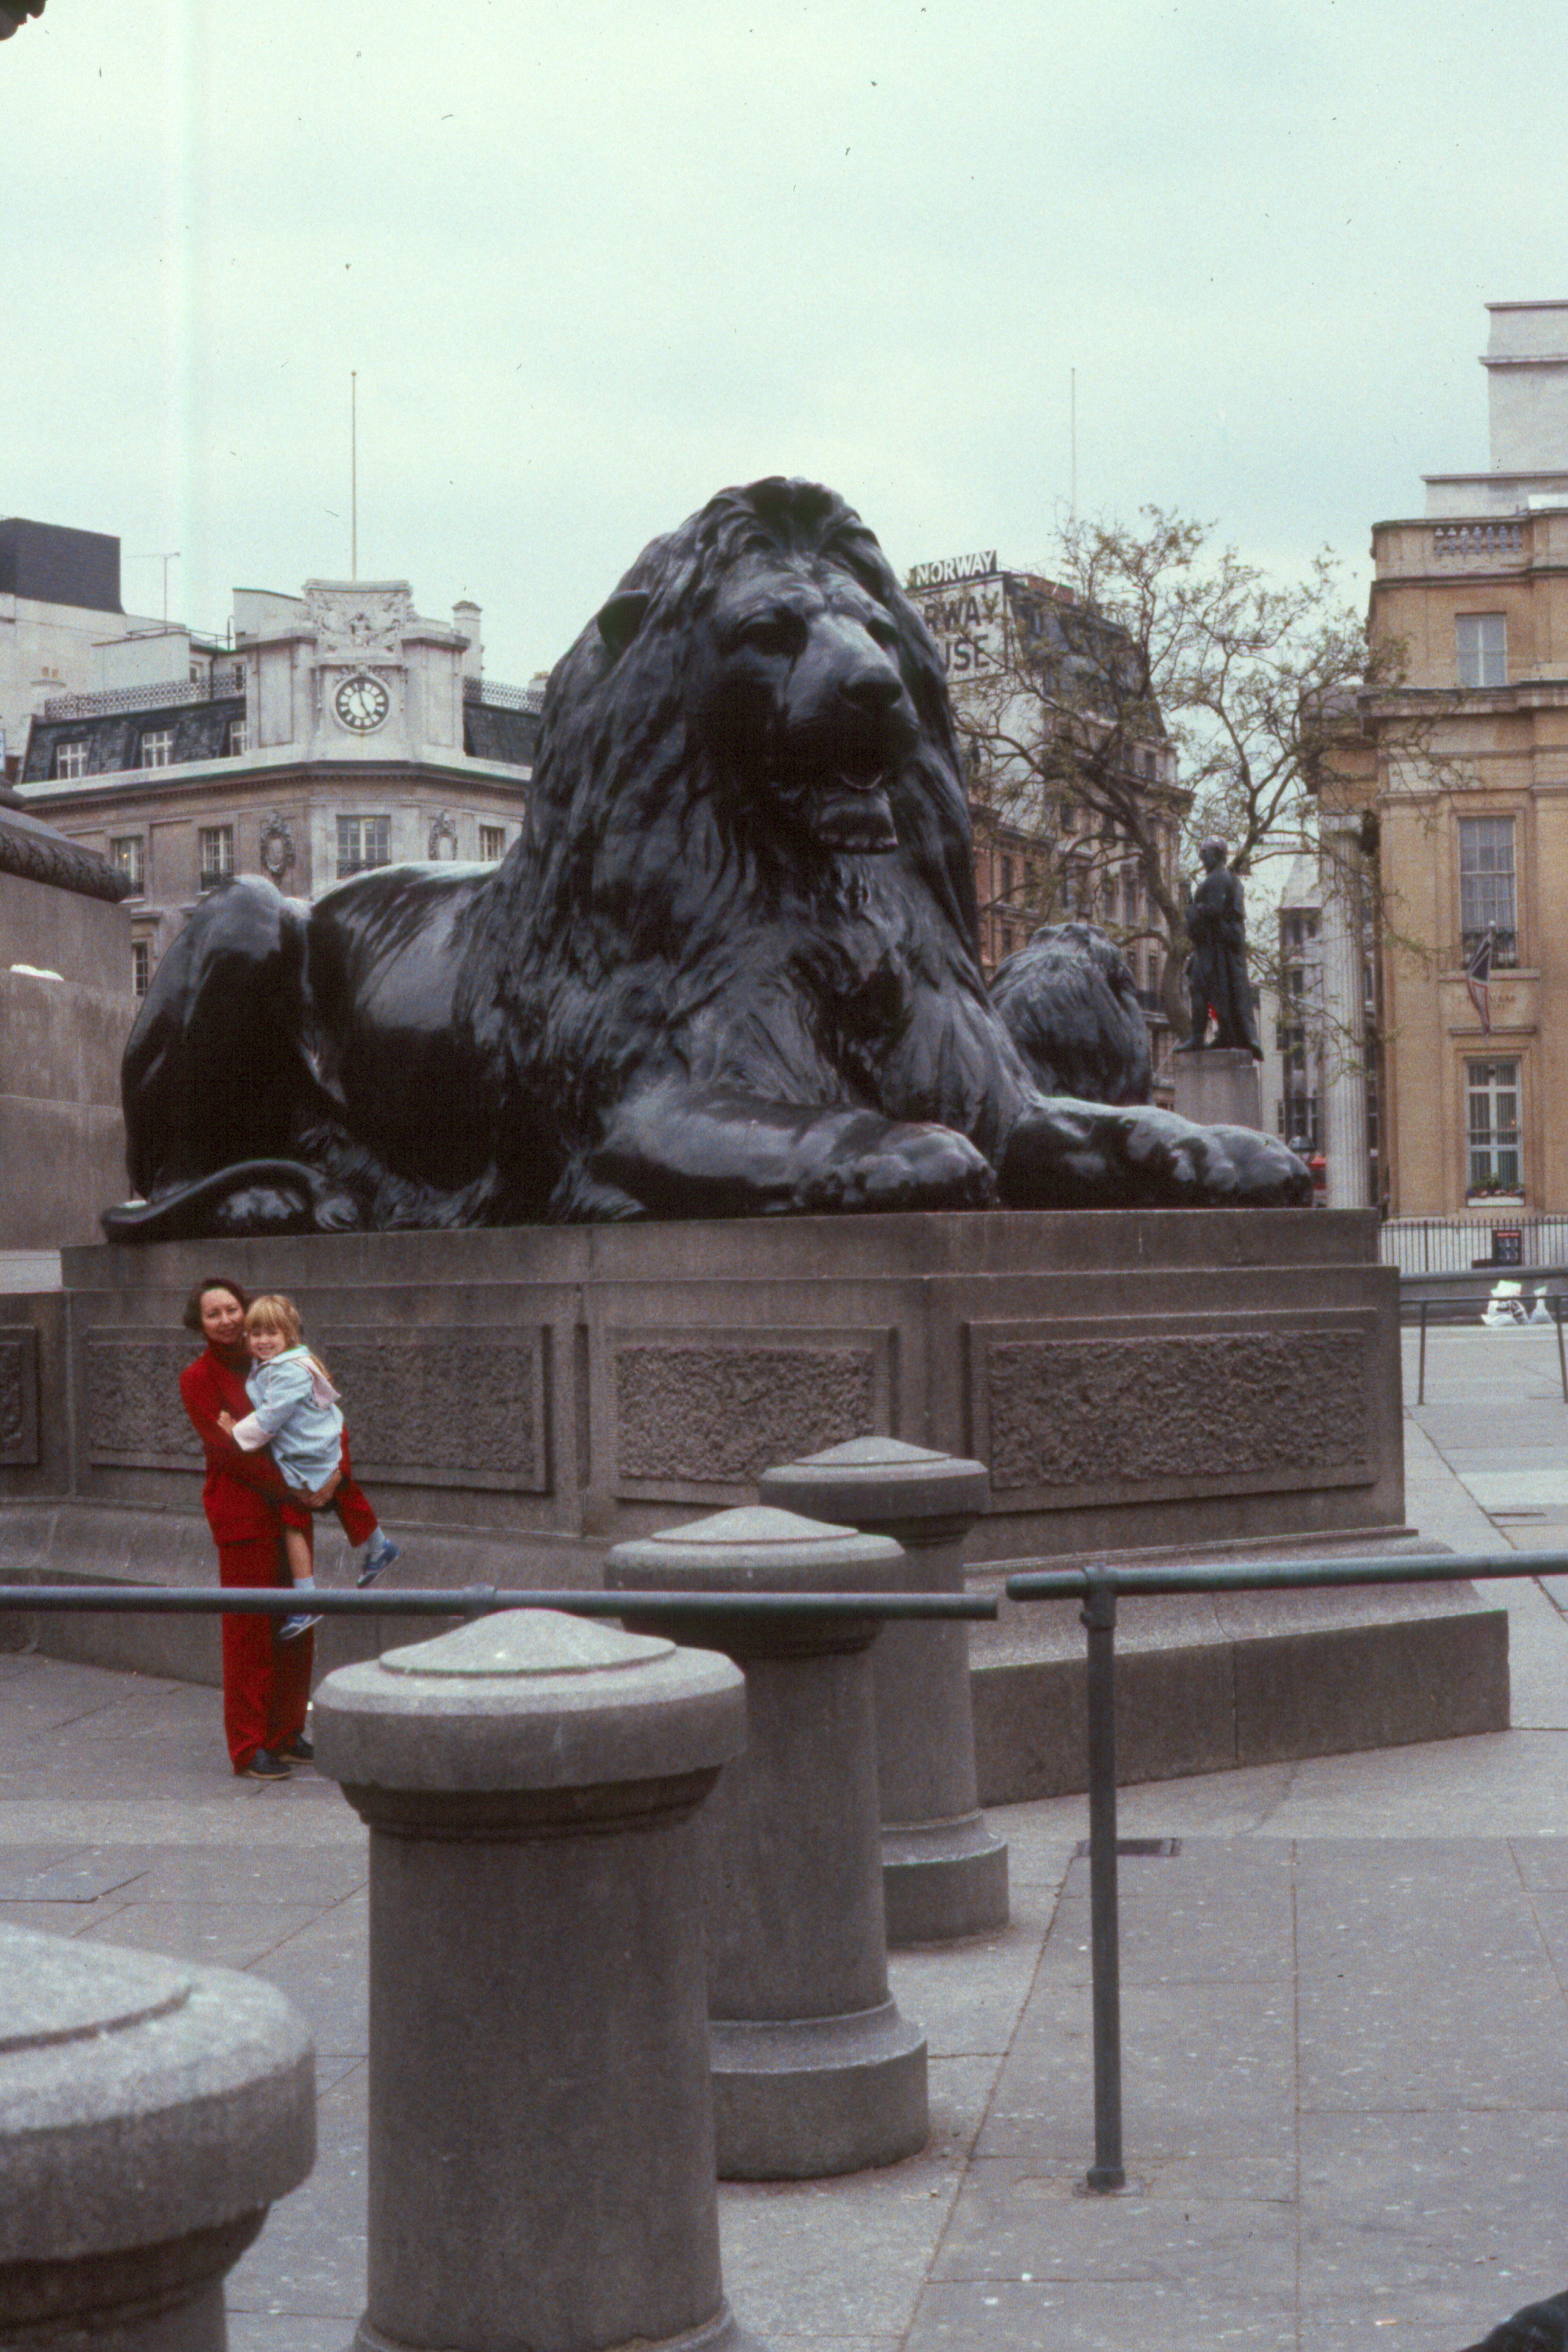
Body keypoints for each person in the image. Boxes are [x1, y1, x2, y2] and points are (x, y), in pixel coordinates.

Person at [178, 1276, 331, 1781]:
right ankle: (248, 1746)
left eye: (232, 1309)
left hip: (291, 1510)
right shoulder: (198, 1378)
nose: (226, 1321)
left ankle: (286, 1732)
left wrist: (330, 1477)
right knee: (249, 1632)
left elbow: (321, 1420)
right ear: (200, 1324)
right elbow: (230, 1453)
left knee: (296, 1624)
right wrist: (294, 1486)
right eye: (213, 1314)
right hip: (245, 1513)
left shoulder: (280, 1360)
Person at [220, 1292, 398, 1640]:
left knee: (295, 1519)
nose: (263, 1341)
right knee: (339, 1498)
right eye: (256, 1334)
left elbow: (272, 1416)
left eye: (271, 1333)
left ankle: (307, 1599)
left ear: (289, 1335)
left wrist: (236, 1432)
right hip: (313, 1445)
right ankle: (377, 1548)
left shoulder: (287, 1371)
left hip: (308, 1450)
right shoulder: (283, 1363)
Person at [1174, 837, 1263, 1058]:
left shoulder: (1219, 878)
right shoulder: (1222, 877)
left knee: (1201, 987)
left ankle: (1201, 1036)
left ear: (1216, 854)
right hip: (1211, 945)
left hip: (1216, 947)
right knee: (1210, 990)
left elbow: (1214, 910)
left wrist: (1192, 908)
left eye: (1205, 854)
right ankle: (1220, 1034)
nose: (1202, 859)